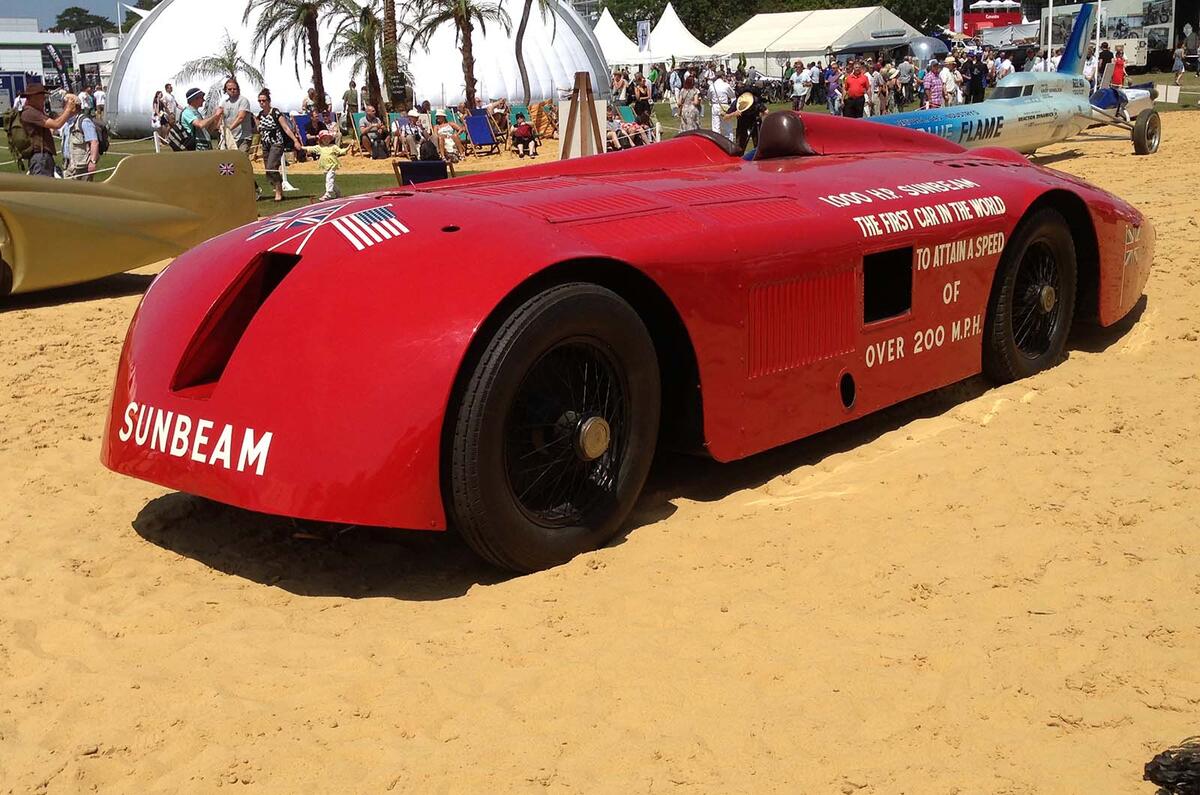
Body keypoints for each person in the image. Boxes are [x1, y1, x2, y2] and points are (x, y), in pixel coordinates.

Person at [255, 88, 302, 202]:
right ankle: (278, 187)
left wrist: (295, 140)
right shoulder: (260, 115)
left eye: (264, 100)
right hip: (265, 144)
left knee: (272, 167)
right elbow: (258, 130)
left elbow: (286, 128)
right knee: (268, 170)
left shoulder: (275, 112)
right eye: (260, 101)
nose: (262, 103)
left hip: (276, 143)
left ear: (269, 101)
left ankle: (279, 191)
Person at [19, 82, 76, 176]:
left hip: (42, 157)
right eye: (41, 96)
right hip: (40, 157)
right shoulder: (31, 113)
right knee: (43, 188)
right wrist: (68, 109)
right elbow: (56, 124)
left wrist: (67, 111)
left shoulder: (34, 111)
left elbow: (55, 122)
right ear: (33, 97)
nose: (44, 99)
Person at [60, 94, 99, 181]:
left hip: (81, 166)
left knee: (84, 192)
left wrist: (92, 162)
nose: (62, 107)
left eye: (65, 104)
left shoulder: (84, 122)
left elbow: (94, 142)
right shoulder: (67, 123)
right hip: (68, 164)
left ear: (73, 107)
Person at [304, 129, 349, 201]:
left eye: (328, 138)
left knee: (329, 179)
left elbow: (340, 151)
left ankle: (328, 194)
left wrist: (347, 148)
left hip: (332, 166)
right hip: (325, 167)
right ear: (321, 140)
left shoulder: (333, 146)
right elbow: (311, 148)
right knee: (331, 181)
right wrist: (303, 148)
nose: (326, 140)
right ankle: (337, 192)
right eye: (324, 139)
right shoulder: (320, 147)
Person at [219, 78, 253, 154]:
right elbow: (221, 119)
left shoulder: (243, 100)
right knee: (229, 163)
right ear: (226, 90)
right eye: (229, 89)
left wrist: (229, 129)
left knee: (240, 161)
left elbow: (241, 117)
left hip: (243, 138)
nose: (232, 90)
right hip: (230, 138)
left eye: (234, 88)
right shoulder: (224, 103)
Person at [708, 71, 736, 140]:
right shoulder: (726, 85)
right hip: (724, 106)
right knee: (727, 126)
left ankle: (716, 142)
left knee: (715, 127)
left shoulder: (712, 86)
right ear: (723, 76)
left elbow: (708, 96)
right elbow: (732, 95)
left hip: (715, 106)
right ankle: (730, 141)